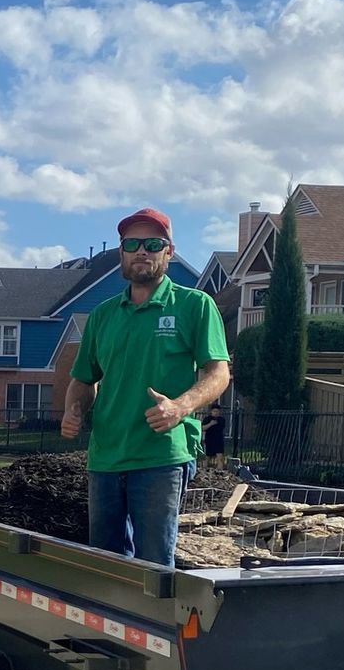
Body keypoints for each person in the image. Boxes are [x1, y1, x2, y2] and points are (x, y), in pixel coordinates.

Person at [61, 210, 230, 567]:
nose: (142, 251)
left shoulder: (194, 305)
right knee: (105, 565)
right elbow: (83, 379)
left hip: (160, 458)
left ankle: (154, 626)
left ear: (169, 252)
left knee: (153, 567)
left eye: (153, 244)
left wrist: (180, 407)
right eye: (132, 244)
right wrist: (73, 409)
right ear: (121, 252)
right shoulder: (103, 316)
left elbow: (218, 373)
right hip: (105, 457)